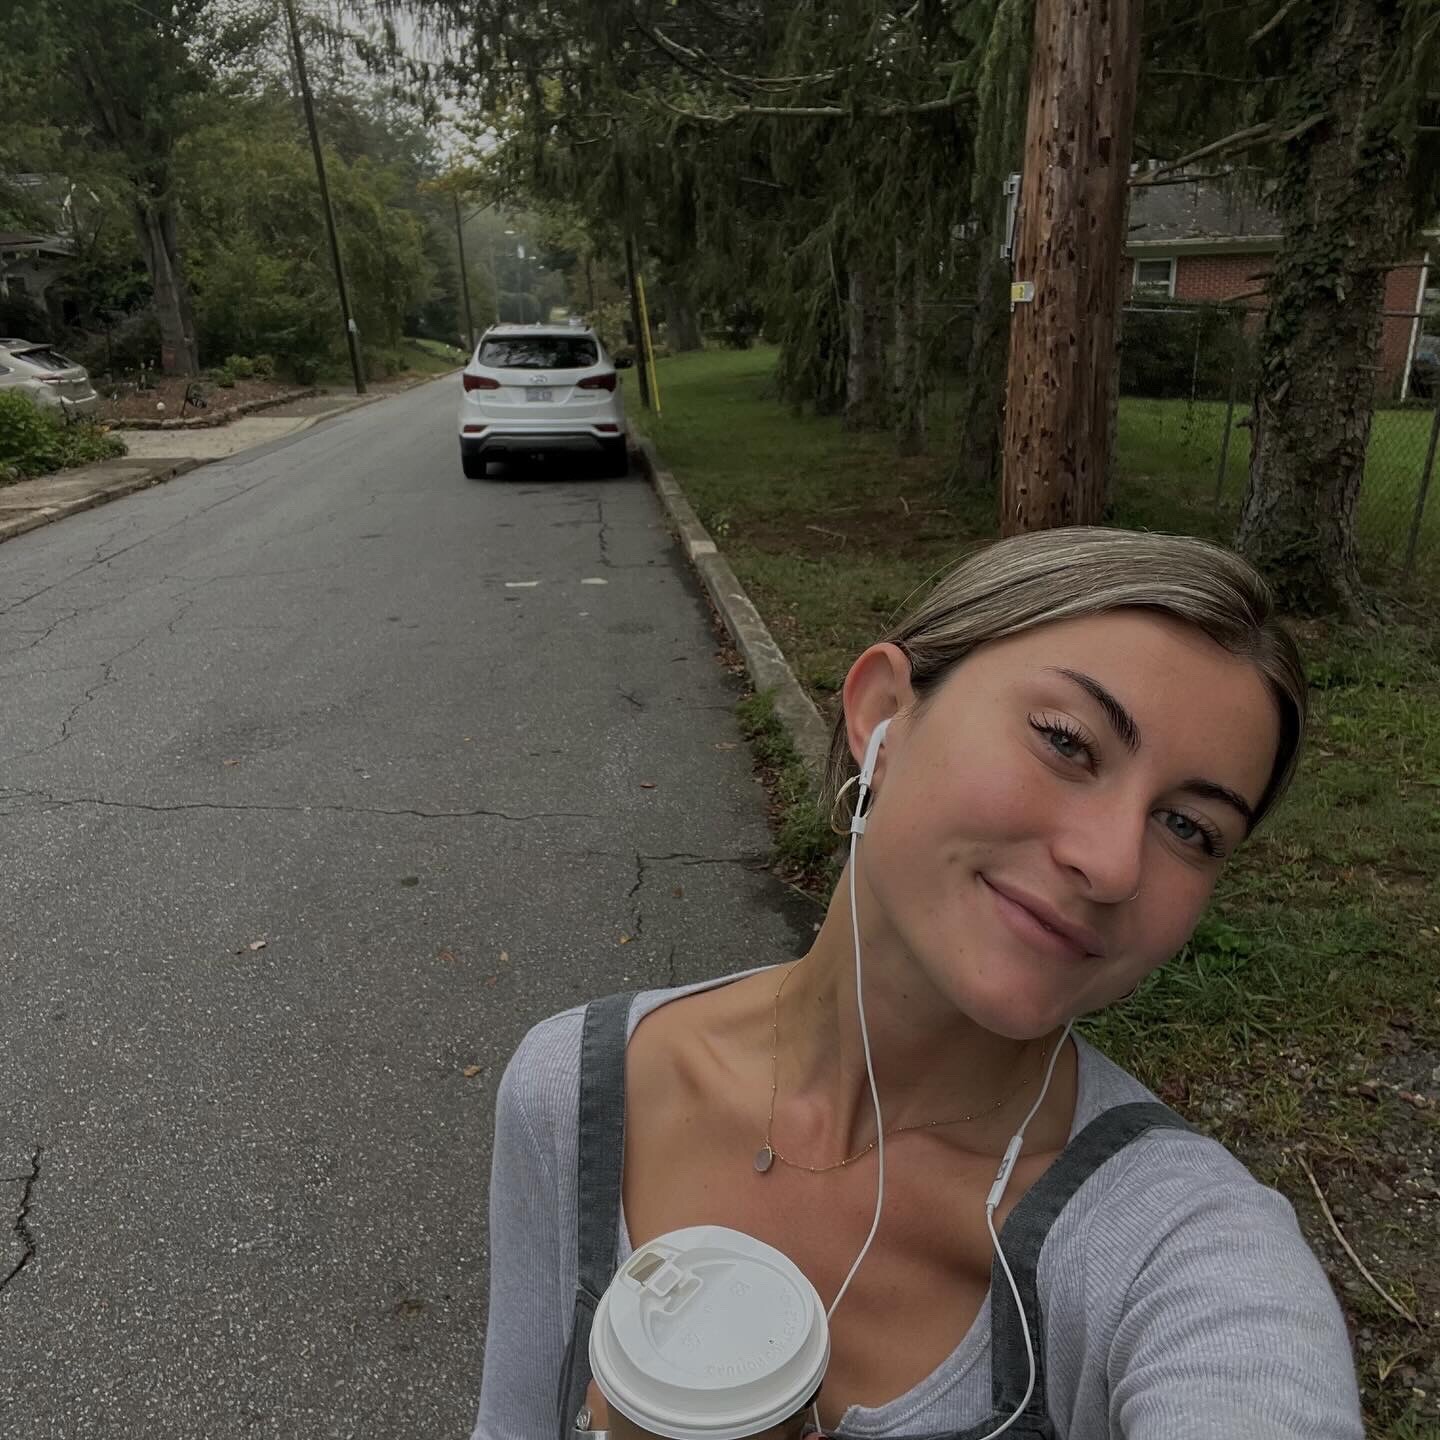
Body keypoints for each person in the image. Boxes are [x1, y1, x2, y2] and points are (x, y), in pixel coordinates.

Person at [472, 527, 1363, 1440]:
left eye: (1189, 828)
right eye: (1067, 741)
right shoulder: (576, 1093)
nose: (1112, 865)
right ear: (883, 717)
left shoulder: (1179, 1251)